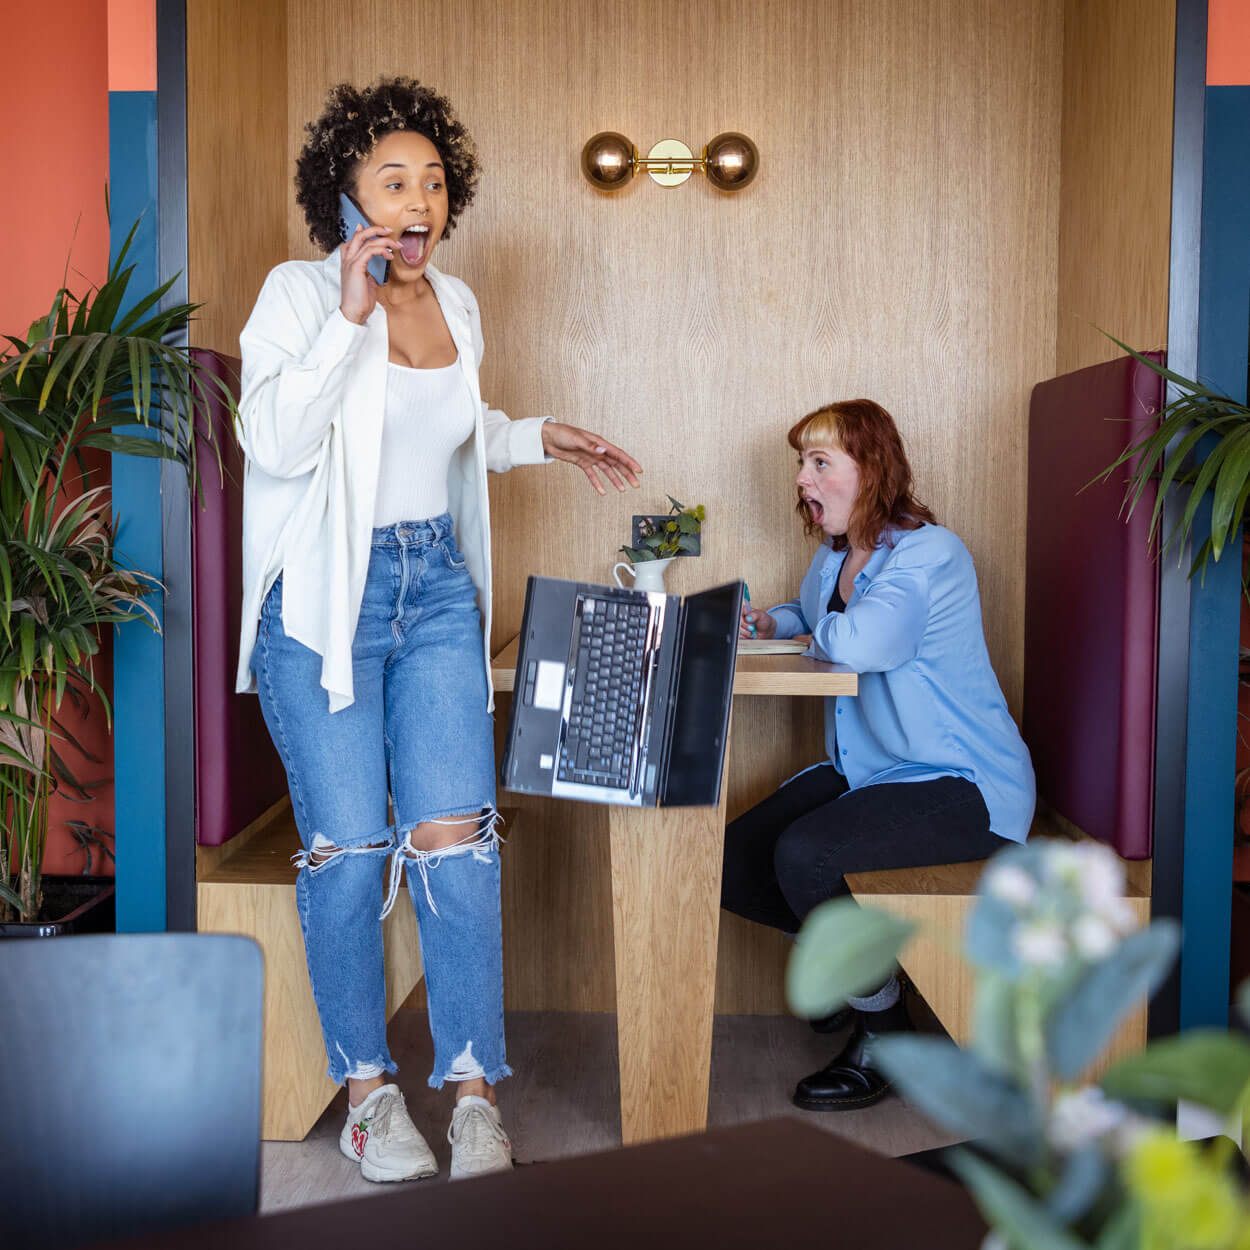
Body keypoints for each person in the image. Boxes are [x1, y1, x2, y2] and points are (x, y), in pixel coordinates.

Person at [234, 78, 642, 1182]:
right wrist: (351, 316)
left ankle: (470, 1091)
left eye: (433, 180)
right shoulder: (297, 294)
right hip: (326, 601)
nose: (418, 199)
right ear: (345, 194)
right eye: (391, 180)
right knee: (350, 848)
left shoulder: (457, 302)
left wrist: (533, 434)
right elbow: (271, 438)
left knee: (455, 844)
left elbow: (445, 435)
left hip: (437, 590)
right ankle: (368, 1091)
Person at [723, 399, 1034, 1111]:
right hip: (874, 769)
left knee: (806, 856)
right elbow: (821, 614)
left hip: (965, 783)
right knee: (736, 859)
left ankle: (887, 1032)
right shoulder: (836, 553)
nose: (803, 477)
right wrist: (775, 620)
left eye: (820, 462)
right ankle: (852, 970)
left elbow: (865, 642)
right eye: (802, 462)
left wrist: (817, 634)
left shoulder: (928, 553)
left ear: (871, 470)